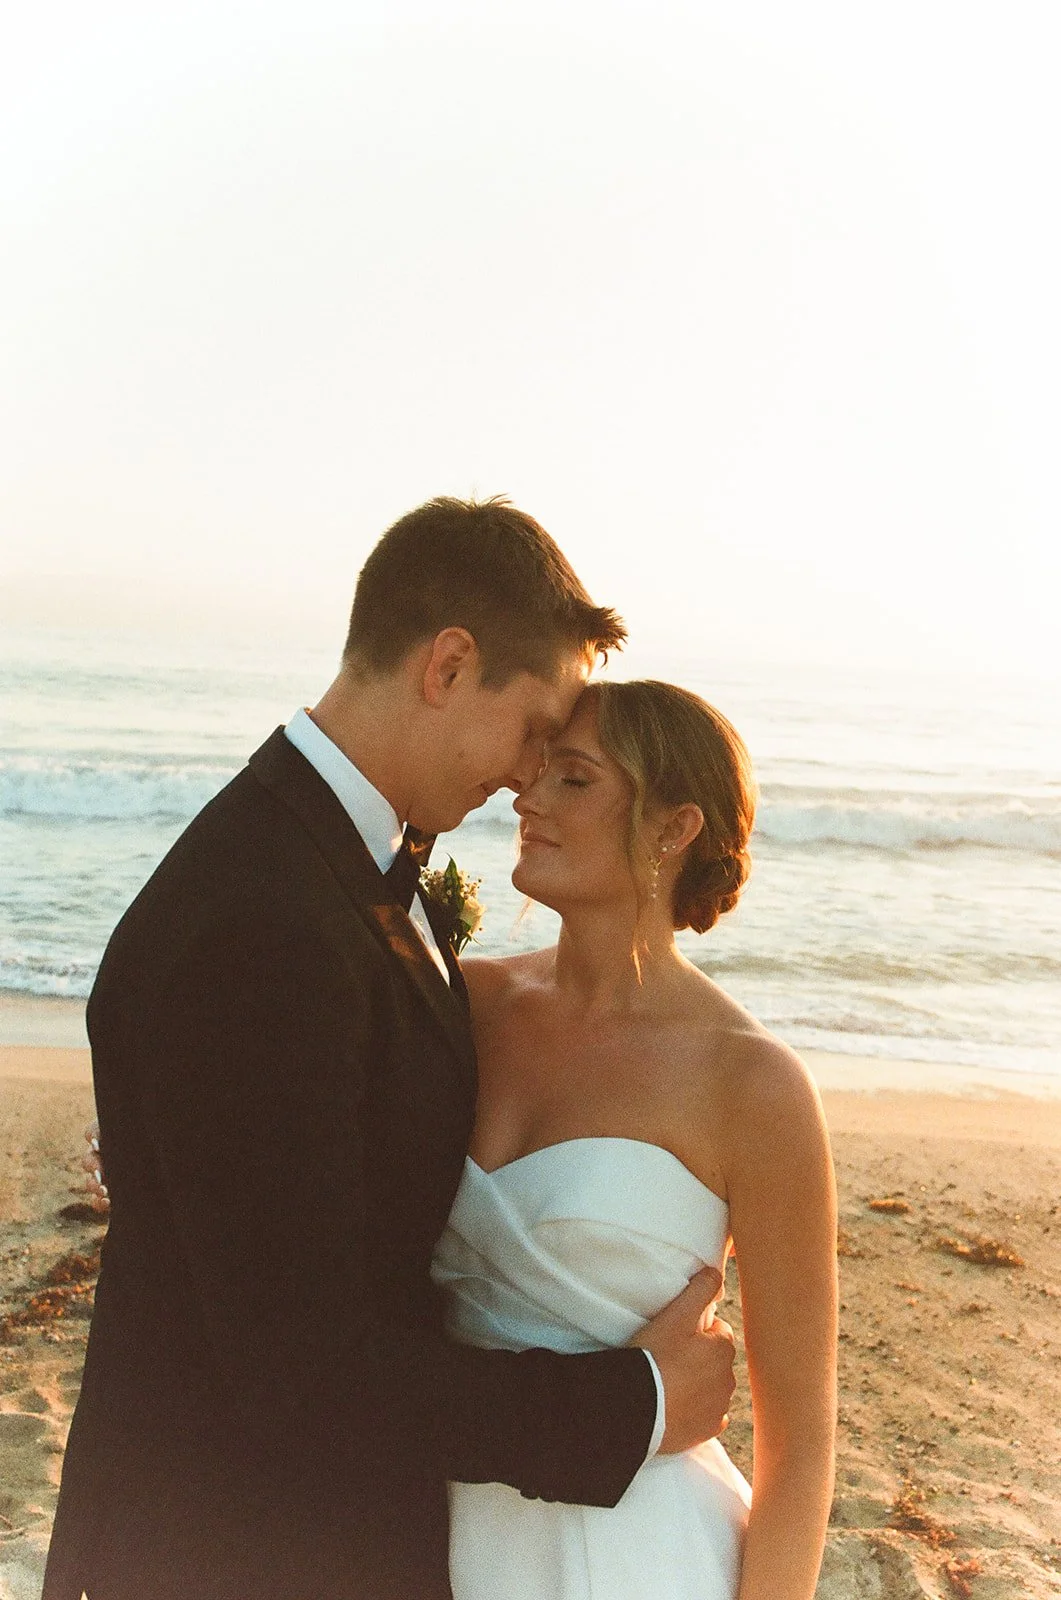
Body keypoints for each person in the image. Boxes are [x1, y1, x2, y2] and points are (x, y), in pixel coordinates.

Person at [46, 497, 737, 1600]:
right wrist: (635, 1401)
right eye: (531, 728)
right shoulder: (264, 920)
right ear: (448, 664)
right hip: (237, 1550)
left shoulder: (333, 857)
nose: (525, 776)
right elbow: (306, 1375)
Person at [432, 678, 838, 1599]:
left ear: (671, 828)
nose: (525, 799)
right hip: (427, 1533)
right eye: (536, 773)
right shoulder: (464, 1007)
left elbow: (801, 1442)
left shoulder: (751, 1084)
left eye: (572, 780)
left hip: (636, 1557)